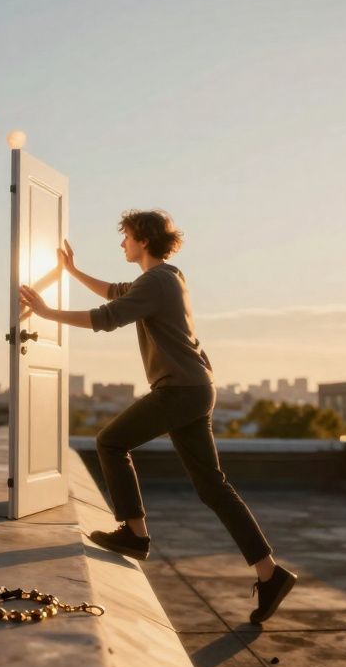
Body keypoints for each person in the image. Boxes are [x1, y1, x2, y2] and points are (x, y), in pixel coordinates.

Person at [17, 209, 297, 624]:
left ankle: (135, 533)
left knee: (110, 442)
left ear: (143, 240)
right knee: (213, 488)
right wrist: (72, 272)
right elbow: (116, 292)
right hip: (195, 388)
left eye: (126, 237)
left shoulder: (158, 280)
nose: (122, 244)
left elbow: (108, 317)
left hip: (179, 389)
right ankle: (270, 574)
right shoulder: (167, 277)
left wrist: (46, 313)